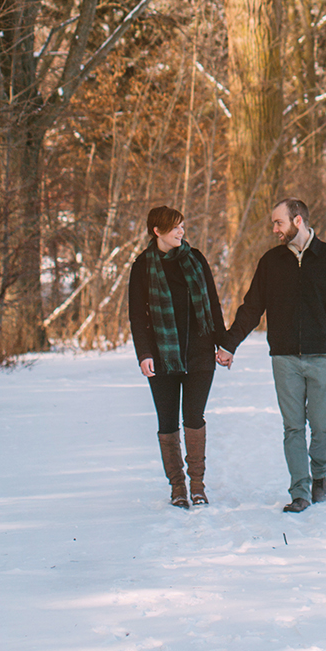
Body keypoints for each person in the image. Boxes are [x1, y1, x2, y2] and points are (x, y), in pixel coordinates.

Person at [217, 199, 326, 513]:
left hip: (323, 354)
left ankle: (320, 475)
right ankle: (300, 490)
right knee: (293, 427)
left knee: (322, 425)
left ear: (297, 221)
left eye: (278, 223)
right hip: (284, 357)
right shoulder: (271, 262)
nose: (274, 229)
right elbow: (252, 307)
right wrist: (230, 344)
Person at [128, 206, 228, 509]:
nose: (181, 232)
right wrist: (144, 353)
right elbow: (137, 316)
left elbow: (212, 304)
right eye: (175, 228)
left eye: (182, 227)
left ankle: (197, 485)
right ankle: (177, 488)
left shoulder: (196, 259)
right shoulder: (142, 266)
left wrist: (224, 345)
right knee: (167, 421)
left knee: (194, 418)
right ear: (157, 231)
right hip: (161, 358)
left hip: (199, 354)